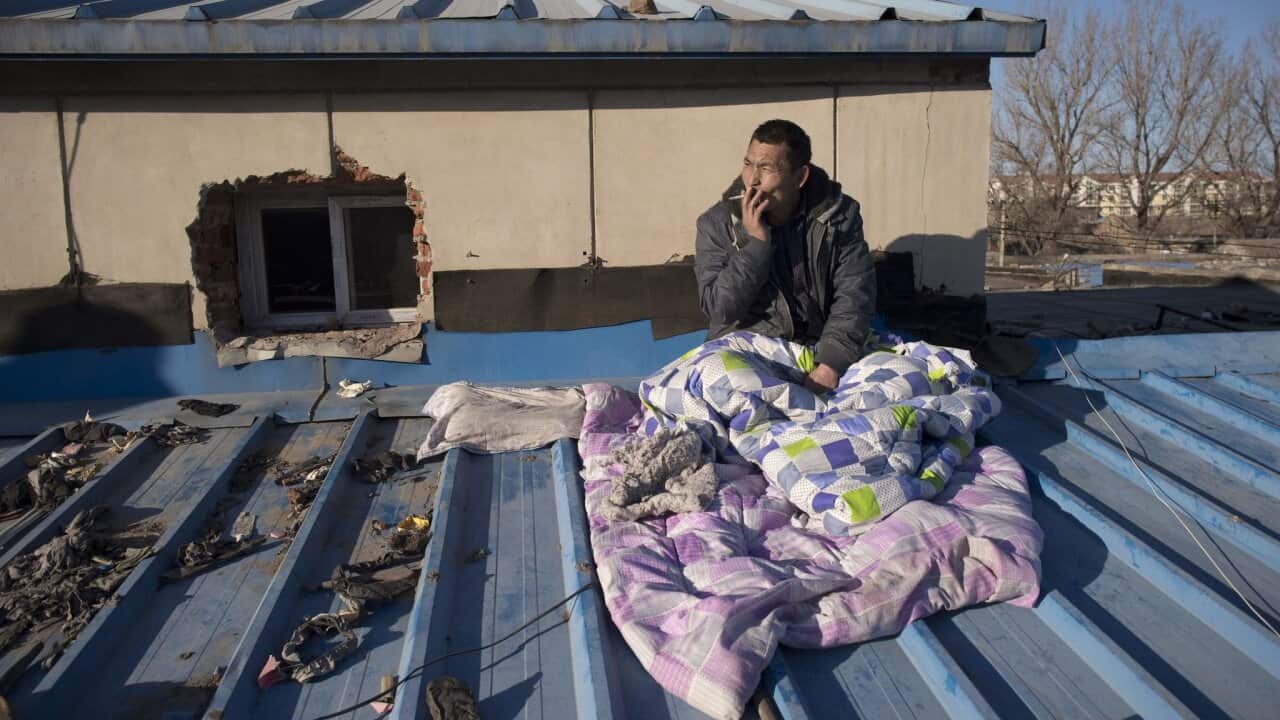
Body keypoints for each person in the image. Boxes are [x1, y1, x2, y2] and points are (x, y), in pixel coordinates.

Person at [694, 119, 876, 394]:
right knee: (716, 387)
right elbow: (720, 309)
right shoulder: (717, 224)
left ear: (799, 177)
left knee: (901, 383)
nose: (752, 179)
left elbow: (854, 293)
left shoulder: (838, 217)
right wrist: (756, 246)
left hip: (818, 349)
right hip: (748, 351)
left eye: (766, 168)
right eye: (748, 164)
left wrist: (831, 363)